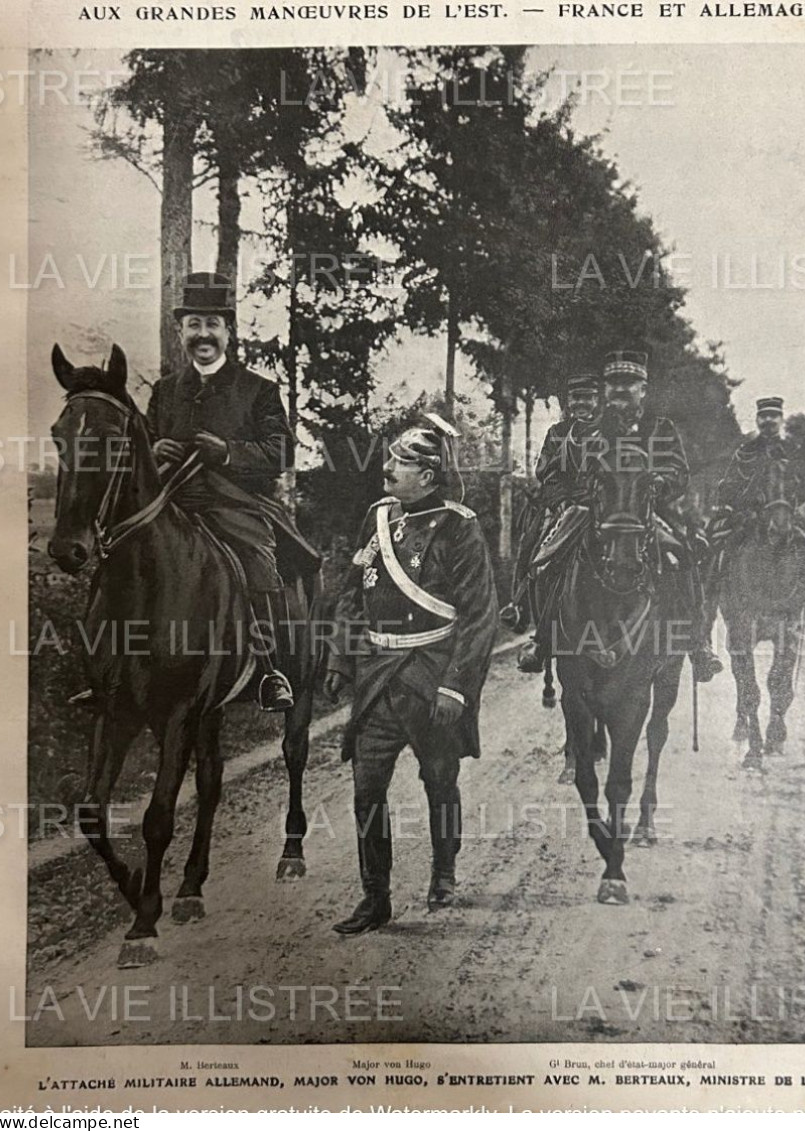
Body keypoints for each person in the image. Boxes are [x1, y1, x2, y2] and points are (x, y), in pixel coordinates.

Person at [325, 415, 499, 936]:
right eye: (392, 458)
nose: (388, 468)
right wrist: (340, 658)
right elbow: (353, 591)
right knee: (366, 789)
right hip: (379, 678)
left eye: (401, 461)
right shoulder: (377, 517)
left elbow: (479, 615)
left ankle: (443, 871)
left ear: (428, 474)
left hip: (431, 675)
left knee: (440, 779)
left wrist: (456, 687)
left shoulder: (460, 527)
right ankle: (375, 898)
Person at [144, 271, 316, 710]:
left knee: (259, 562)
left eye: (213, 324)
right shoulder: (164, 392)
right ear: (180, 330)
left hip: (236, 506)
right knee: (127, 558)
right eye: (194, 325)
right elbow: (141, 456)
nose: (204, 335)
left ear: (228, 331)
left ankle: (270, 668)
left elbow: (282, 451)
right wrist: (152, 450)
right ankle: (123, 671)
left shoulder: (259, 390)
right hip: (174, 507)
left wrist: (228, 452)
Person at [597, 350, 724, 683]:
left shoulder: (660, 428)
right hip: (600, 511)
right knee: (556, 547)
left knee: (682, 554)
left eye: (629, 383)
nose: (621, 390)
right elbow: (576, 469)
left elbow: (680, 471)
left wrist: (659, 483)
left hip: (651, 511)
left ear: (643, 389)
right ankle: (542, 634)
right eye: (614, 383)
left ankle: (697, 642)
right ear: (605, 390)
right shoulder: (591, 430)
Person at [704, 395, 805, 639]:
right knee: (716, 555)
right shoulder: (745, 451)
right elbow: (729, 485)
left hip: (785, 515)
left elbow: (804, 488)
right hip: (749, 518)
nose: (768, 420)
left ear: (780, 419)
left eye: (773, 416)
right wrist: (744, 504)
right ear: (757, 419)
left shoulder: (791, 451)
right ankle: (704, 625)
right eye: (763, 416)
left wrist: (788, 500)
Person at [511, 373, 602, 674]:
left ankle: (692, 638)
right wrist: (561, 501)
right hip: (569, 507)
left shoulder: (610, 431)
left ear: (596, 400)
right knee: (534, 546)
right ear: (568, 403)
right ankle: (524, 614)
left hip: (609, 506)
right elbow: (545, 473)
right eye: (575, 398)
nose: (581, 403)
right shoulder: (557, 433)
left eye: (587, 397)